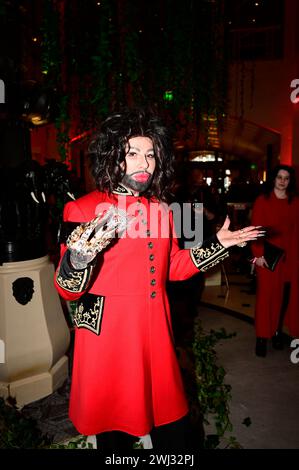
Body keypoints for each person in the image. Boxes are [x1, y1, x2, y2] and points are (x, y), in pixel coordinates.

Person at [54, 108, 263, 451]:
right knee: (114, 433)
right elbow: (66, 290)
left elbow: (174, 268)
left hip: (155, 334)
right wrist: (78, 258)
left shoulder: (161, 210)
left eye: (150, 154)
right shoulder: (82, 209)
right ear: (113, 156)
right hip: (109, 340)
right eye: (133, 153)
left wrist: (218, 244)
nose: (145, 163)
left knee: (174, 431)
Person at [251, 165, 299, 357]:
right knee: (265, 297)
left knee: (283, 296)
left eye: (286, 178)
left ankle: (277, 332)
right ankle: (262, 336)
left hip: (290, 256)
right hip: (268, 254)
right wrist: (258, 255)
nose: (282, 181)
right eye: (279, 177)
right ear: (273, 179)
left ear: (290, 181)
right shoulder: (262, 201)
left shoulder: (295, 202)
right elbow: (256, 230)